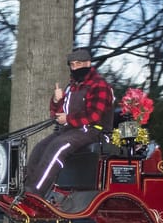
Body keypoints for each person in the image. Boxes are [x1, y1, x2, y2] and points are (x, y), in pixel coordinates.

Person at [22, 47, 115, 198]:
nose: (74, 68)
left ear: (88, 64)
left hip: (93, 131)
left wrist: (68, 119)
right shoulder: (71, 87)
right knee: (40, 147)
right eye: (72, 65)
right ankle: (25, 187)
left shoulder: (100, 86)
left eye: (78, 64)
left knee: (57, 147)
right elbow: (57, 113)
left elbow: (94, 116)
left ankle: (35, 193)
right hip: (70, 130)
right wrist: (56, 100)